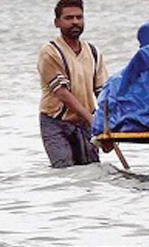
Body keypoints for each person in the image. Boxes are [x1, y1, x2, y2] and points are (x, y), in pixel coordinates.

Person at [37, 0, 110, 168]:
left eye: (79, 17)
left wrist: (107, 128)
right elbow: (62, 93)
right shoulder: (50, 52)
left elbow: (103, 92)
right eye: (69, 18)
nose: (75, 22)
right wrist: (93, 121)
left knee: (92, 169)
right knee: (64, 170)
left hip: (85, 122)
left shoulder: (93, 52)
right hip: (56, 122)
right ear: (57, 23)